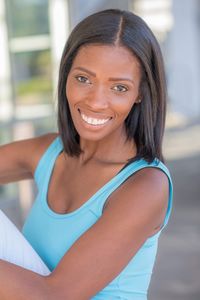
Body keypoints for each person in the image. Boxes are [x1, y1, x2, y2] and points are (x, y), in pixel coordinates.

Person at [0, 8, 173, 300]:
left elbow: (57, 295)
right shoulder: (50, 152)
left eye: (119, 87)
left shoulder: (146, 186)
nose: (96, 101)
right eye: (83, 79)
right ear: (66, 75)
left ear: (140, 93)